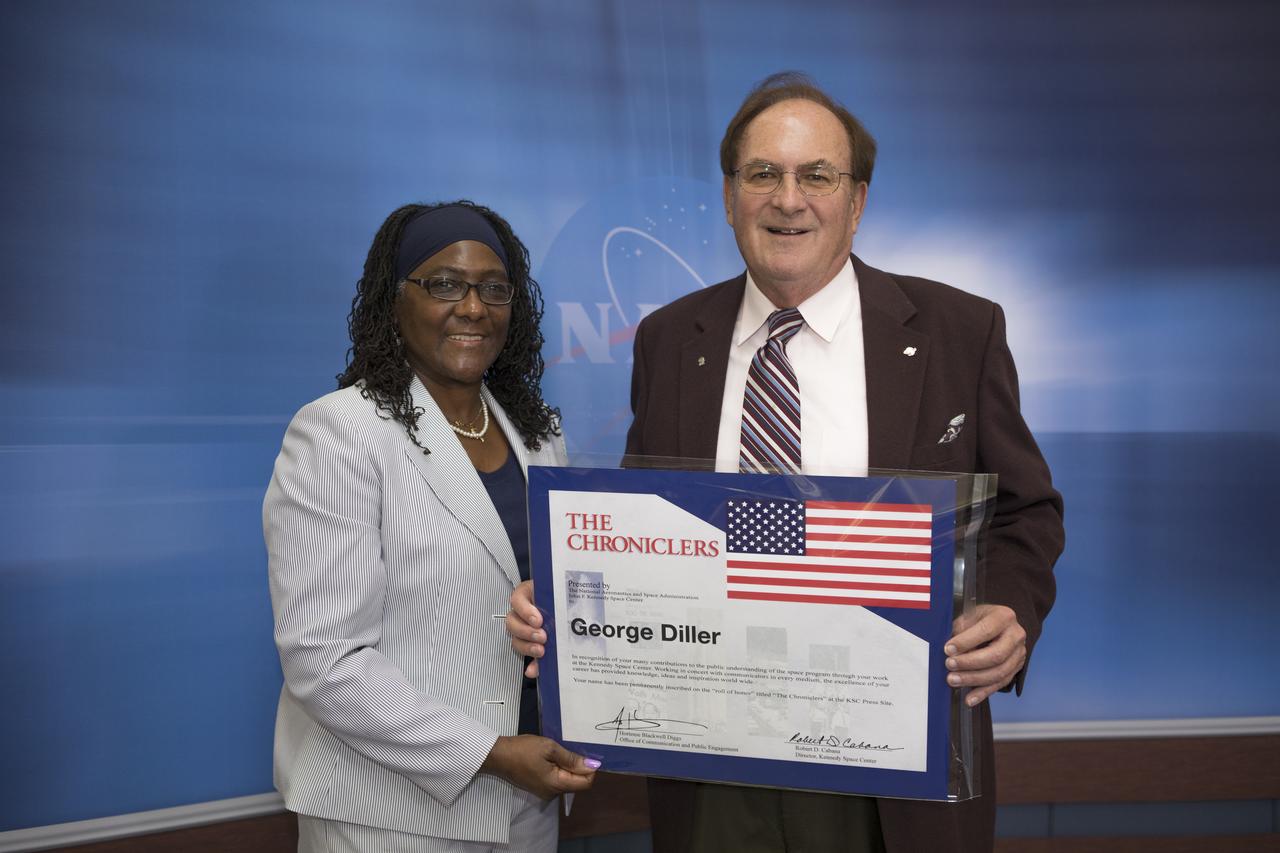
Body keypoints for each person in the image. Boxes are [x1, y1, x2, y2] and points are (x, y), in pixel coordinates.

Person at [507, 73, 1064, 852]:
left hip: (892, 770)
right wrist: (569, 596)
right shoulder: (671, 340)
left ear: (857, 201)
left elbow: (1026, 511)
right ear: (731, 196)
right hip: (714, 764)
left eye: (816, 176)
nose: (788, 198)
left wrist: (1009, 609)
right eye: (762, 173)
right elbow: (643, 527)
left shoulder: (957, 331)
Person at [265, 201, 598, 853]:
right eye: (444, 283)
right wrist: (493, 753)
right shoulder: (339, 434)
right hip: (389, 817)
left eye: (493, 288)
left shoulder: (538, 435)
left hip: (529, 802)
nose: (473, 307)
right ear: (394, 301)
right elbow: (325, 659)